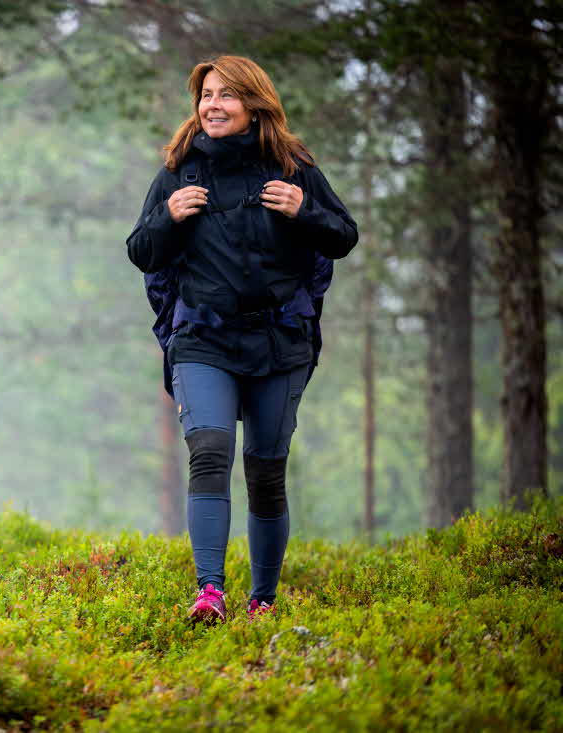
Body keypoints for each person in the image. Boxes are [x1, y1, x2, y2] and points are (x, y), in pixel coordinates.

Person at [126, 55, 358, 624]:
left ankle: (263, 600)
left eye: (227, 95)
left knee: (264, 469)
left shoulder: (293, 167)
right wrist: (166, 217)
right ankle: (210, 593)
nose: (213, 105)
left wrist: (305, 211)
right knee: (208, 454)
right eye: (206, 95)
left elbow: (343, 236)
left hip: (279, 341)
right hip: (204, 338)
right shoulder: (180, 172)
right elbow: (141, 251)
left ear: (254, 103)